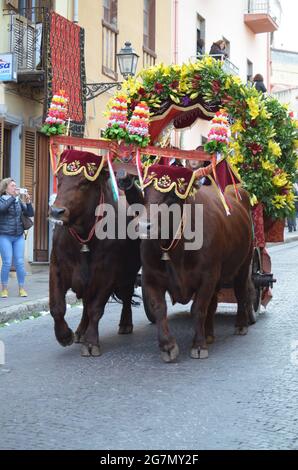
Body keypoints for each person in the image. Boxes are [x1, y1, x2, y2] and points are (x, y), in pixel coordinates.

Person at [0, 178, 34, 298]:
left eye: (16, 186)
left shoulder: (17, 201)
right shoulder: (2, 200)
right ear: (5, 188)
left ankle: (22, 288)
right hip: (4, 235)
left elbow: (30, 214)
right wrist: (13, 198)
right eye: (13, 186)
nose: (16, 188)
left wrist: (29, 202)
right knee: (7, 262)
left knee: (20, 262)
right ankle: (4, 289)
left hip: (18, 236)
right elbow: (2, 209)